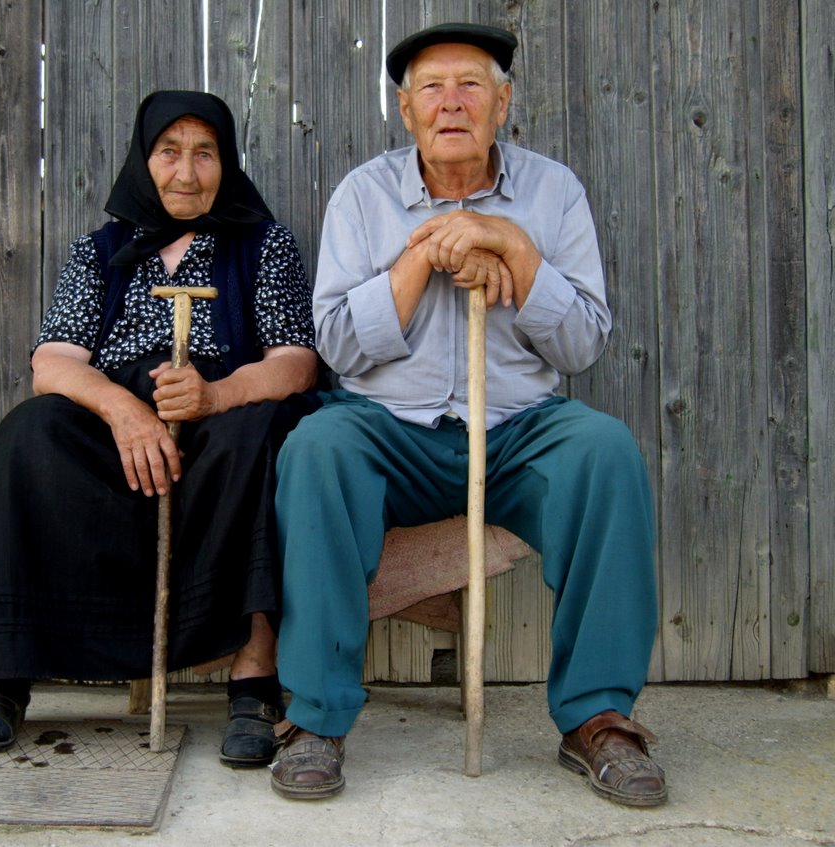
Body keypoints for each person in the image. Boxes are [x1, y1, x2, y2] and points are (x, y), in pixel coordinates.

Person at [269, 23, 667, 807]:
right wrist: (423, 255)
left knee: (605, 450)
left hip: (519, 428)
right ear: (405, 109)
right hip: (390, 431)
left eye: (471, 84)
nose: (452, 102)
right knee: (316, 446)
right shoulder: (364, 195)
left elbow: (584, 340)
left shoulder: (553, 193)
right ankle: (316, 717)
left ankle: (600, 716)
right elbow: (341, 348)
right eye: (432, 88)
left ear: (503, 102)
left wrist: (515, 247)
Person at [0, 90, 318, 769]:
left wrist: (215, 396)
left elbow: (295, 361)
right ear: (142, 160)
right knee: (26, 437)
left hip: (220, 414)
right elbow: (54, 362)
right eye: (169, 152)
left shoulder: (264, 243)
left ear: (225, 162)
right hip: (115, 420)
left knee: (266, 436)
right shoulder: (100, 250)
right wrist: (124, 411)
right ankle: (4, 675)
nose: (187, 172)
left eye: (204, 153)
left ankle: (253, 678)